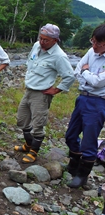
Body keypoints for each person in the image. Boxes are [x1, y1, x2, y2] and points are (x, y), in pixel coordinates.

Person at [14, 23, 75, 163]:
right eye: (41, 38)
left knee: (38, 124)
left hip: (41, 94)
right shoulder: (36, 46)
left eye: (45, 40)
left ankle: (34, 152)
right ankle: (28, 145)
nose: (42, 41)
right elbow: (31, 62)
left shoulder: (59, 56)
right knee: (22, 120)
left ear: (55, 40)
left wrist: (55, 89)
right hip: (29, 89)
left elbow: (69, 76)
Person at [65, 24, 105, 188]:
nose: (94, 46)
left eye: (98, 43)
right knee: (70, 134)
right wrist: (87, 75)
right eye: (93, 41)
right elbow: (77, 70)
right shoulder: (91, 52)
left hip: (98, 102)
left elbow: (97, 82)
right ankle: (74, 162)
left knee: (89, 139)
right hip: (83, 97)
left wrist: (86, 73)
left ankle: (82, 176)